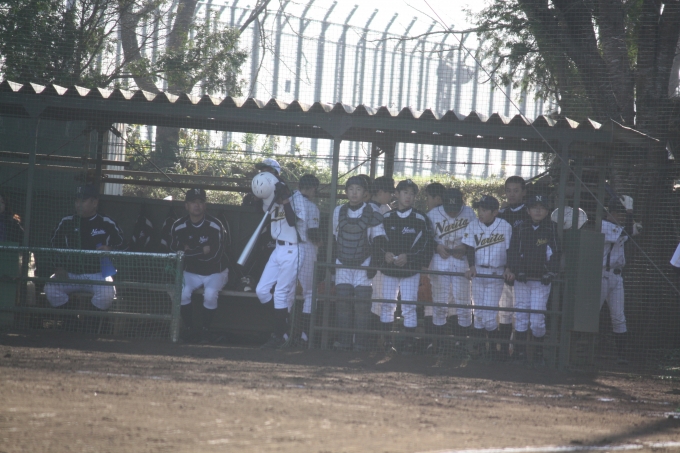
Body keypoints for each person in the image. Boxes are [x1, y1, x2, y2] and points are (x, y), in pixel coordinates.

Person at [375, 179, 434, 354]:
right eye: (405, 192)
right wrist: (385, 253)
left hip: (410, 270)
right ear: (397, 194)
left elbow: (426, 244)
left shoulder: (421, 218)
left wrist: (409, 257)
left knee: (409, 306)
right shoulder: (386, 217)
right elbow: (378, 240)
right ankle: (387, 343)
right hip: (389, 270)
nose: (409, 196)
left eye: (412, 193)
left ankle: (409, 344)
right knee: (387, 305)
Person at [45, 184, 125, 310]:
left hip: (98, 274)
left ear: (94, 203)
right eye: (76, 201)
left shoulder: (106, 222)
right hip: (70, 273)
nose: (78, 204)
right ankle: (72, 318)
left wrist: (110, 249)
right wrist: (58, 266)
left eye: (83, 201)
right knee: (50, 288)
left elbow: (123, 245)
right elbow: (53, 245)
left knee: (107, 293)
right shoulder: (66, 222)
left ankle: (90, 320)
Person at [332, 175, 387, 351]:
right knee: (342, 301)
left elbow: (378, 240)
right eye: (351, 189)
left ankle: (361, 344)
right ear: (346, 191)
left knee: (363, 304)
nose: (354, 193)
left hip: (364, 262)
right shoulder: (338, 210)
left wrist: (374, 265)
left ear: (365, 193)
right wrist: (332, 263)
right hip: (342, 261)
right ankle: (344, 342)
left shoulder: (372, 211)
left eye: (358, 189)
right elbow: (334, 238)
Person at [169, 188, 230, 343]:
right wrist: (201, 251)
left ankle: (205, 331)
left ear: (205, 205)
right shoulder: (178, 226)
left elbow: (216, 256)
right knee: (182, 293)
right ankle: (189, 329)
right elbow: (175, 253)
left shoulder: (215, 225)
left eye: (200, 202)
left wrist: (189, 252)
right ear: (186, 205)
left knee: (210, 294)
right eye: (193, 202)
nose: (197, 205)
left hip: (215, 271)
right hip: (191, 271)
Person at [255, 173, 307, 348]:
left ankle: (279, 336)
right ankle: (284, 325)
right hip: (278, 249)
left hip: (294, 249)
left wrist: (285, 199)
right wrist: (266, 195)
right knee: (262, 290)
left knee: (280, 293)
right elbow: (259, 209)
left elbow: (292, 222)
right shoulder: (270, 200)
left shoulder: (298, 199)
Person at [507, 194, 561, 365]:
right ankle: (520, 353)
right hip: (522, 280)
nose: (538, 211)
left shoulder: (552, 228)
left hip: (541, 281)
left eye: (542, 207)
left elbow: (556, 253)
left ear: (547, 211)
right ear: (528, 210)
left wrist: (550, 272)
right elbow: (513, 251)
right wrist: (518, 270)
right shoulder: (520, 227)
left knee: (537, 319)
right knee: (521, 316)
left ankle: (538, 353)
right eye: (534, 207)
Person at [462, 195, 514, 358]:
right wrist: (471, 266)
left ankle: (493, 349)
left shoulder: (504, 226)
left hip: (495, 274)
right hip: (478, 272)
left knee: (490, 317)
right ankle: (481, 351)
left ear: (495, 212)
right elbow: (470, 248)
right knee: (478, 315)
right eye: (479, 209)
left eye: (484, 210)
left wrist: (508, 268)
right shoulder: (473, 225)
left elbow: (510, 250)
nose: (480, 212)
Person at [426, 188, 476, 351]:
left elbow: (477, 235)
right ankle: (438, 343)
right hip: (440, 260)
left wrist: (465, 247)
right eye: (450, 208)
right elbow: (425, 238)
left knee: (463, 302)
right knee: (440, 303)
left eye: (455, 208)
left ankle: (462, 343)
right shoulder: (433, 214)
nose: (453, 212)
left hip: (461, 262)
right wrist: (436, 246)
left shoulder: (469, 212)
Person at [600, 195, 637, 364]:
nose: (621, 216)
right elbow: (626, 232)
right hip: (601, 275)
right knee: (591, 312)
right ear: (610, 212)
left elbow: (629, 231)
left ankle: (621, 356)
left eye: (622, 213)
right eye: (618, 213)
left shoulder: (620, 226)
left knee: (619, 316)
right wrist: (630, 213)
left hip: (616, 277)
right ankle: (575, 351)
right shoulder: (603, 225)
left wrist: (633, 224)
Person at [497, 176, 531, 357]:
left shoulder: (529, 213)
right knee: (504, 311)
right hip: (502, 269)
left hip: (522, 271)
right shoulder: (501, 214)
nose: (512, 194)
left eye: (516, 190)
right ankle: (503, 351)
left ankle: (519, 352)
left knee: (520, 314)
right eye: (508, 190)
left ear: (524, 192)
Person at [240, 158, 283, 291]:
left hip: (283, 235)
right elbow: (256, 211)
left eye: (268, 171)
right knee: (259, 254)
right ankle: (250, 278)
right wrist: (256, 199)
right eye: (262, 171)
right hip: (263, 232)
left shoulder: (283, 189)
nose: (264, 174)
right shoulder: (255, 191)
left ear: (276, 173)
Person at [288, 174, 321, 346]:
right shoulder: (311, 206)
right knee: (310, 293)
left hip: (286, 249)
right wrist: (321, 243)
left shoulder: (288, 200)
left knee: (287, 292)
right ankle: (305, 336)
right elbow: (313, 232)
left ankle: (284, 334)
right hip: (306, 249)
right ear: (313, 188)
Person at [368, 176, 395, 320]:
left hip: (383, 259)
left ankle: (378, 328)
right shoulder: (369, 208)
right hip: (371, 258)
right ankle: (372, 330)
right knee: (377, 295)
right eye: (389, 192)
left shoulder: (385, 207)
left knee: (382, 295)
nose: (391, 195)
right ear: (379, 192)